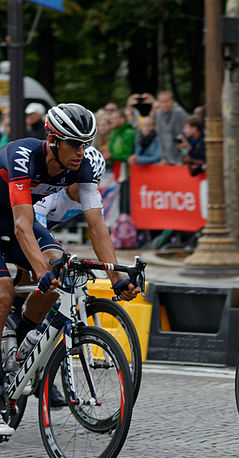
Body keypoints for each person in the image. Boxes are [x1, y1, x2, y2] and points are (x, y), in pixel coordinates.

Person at [0, 104, 141, 435]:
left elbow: (98, 226)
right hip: (13, 219)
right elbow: (23, 225)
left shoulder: (84, 165)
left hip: (15, 221)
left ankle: (19, 350)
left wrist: (117, 277)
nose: (82, 151)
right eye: (74, 144)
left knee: (60, 271)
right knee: (5, 291)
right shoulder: (23, 155)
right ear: (52, 140)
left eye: (86, 143)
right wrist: (39, 270)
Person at [152, 91, 188, 165]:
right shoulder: (159, 114)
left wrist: (184, 156)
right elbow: (160, 137)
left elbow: (183, 138)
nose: (165, 105)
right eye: (162, 102)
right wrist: (164, 157)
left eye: (167, 102)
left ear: (172, 101)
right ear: (159, 103)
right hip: (166, 158)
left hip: (180, 158)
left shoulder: (179, 113)